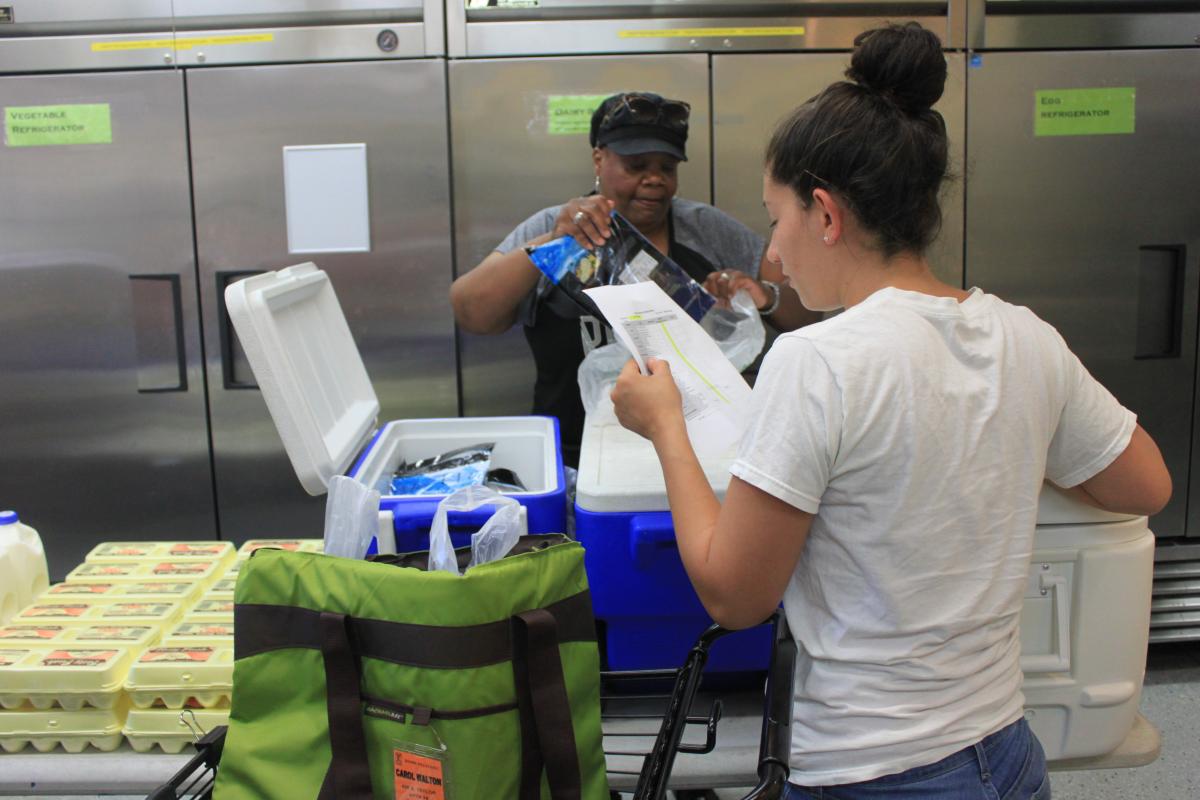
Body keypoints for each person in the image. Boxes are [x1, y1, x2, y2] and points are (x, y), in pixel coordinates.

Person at [610, 22, 1171, 800]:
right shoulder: (1024, 338)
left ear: (827, 214)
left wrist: (666, 423)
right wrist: (996, 445)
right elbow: (1145, 486)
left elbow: (736, 598)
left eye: (777, 218)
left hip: (873, 771)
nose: (772, 253)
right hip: (1006, 758)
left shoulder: (818, 363)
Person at [450, 91, 817, 465]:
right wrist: (554, 243)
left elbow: (806, 309)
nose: (654, 180)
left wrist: (764, 295)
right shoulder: (552, 229)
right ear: (599, 159)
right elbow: (472, 312)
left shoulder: (705, 229)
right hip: (577, 460)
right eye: (636, 165)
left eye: (667, 168)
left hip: (700, 458)